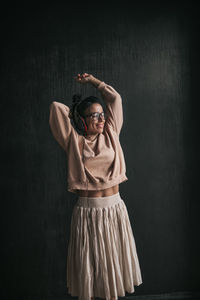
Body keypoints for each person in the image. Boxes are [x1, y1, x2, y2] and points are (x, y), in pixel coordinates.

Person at [49, 73, 143, 300]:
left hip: (114, 211)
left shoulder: (111, 132)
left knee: (112, 269)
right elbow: (55, 108)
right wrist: (75, 113)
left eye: (102, 115)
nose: (101, 119)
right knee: (89, 271)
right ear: (82, 121)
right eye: (94, 116)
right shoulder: (74, 142)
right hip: (87, 213)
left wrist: (94, 82)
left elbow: (116, 99)